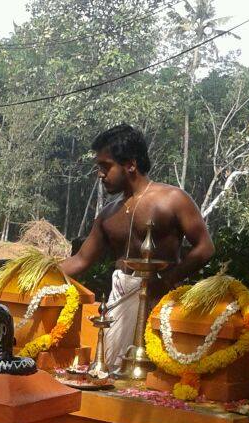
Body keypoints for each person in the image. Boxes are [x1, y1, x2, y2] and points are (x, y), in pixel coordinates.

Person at [60, 124, 214, 371]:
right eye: (98, 167)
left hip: (158, 301)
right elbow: (80, 260)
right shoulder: (108, 213)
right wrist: (37, 272)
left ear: (130, 165)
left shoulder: (172, 199)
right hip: (119, 300)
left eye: (106, 166)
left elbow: (205, 248)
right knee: (110, 373)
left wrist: (164, 282)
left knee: (151, 379)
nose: (100, 174)